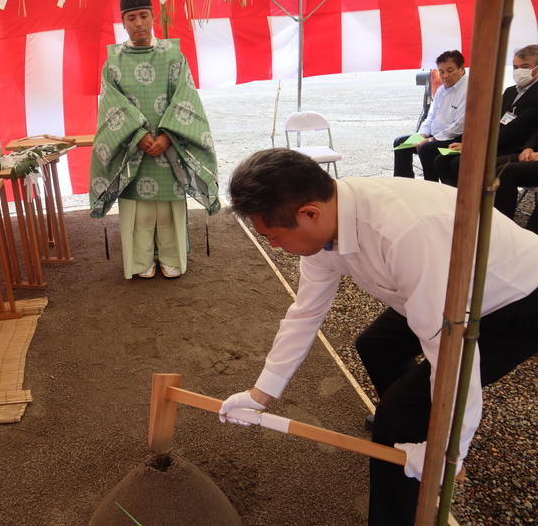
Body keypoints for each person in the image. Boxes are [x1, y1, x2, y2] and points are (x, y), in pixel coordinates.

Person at [220, 148, 538, 525]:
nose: (274, 246)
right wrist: (261, 395)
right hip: (440, 287)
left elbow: (448, 350)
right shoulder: (326, 220)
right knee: (375, 346)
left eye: (273, 237)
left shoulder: (403, 231)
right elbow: (304, 313)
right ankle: (421, 421)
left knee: (397, 415)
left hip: (515, 298)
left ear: (309, 213)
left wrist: (449, 451)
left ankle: (403, 493)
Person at [88, 0, 220, 280]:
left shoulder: (173, 55)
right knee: (141, 213)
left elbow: (186, 98)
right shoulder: (113, 62)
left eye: (143, 15)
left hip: (168, 147)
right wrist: (137, 136)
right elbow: (111, 106)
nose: (138, 23)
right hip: (132, 150)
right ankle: (141, 261)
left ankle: (172, 258)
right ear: (123, 22)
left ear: (152, 16)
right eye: (131, 17)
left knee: (167, 210)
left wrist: (168, 136)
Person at [435, 44, 538, 186]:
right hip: (494, 143)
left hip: (513, 146)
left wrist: (477, 146)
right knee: (442, 160)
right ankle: (453, 200)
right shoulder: (510, 92)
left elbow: (517, 128)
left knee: (462, 163)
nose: (519, 71)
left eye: (525, 66)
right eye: (515, 67)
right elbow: (491, 121)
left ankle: (473, 203)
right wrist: (471, 143)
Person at [393, 50, 467, 181]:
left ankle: (431, 185)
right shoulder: (441, 90)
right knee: (400, 143)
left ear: (461, 69)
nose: (445, 76)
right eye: (441, 71)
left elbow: (460, 125)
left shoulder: (468, 90)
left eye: (450, 70)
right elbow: (431, 116)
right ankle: (403, 183)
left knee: (426, 148)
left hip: (454, 137)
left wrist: (431, 140)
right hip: (434, 135)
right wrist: (423, 134)